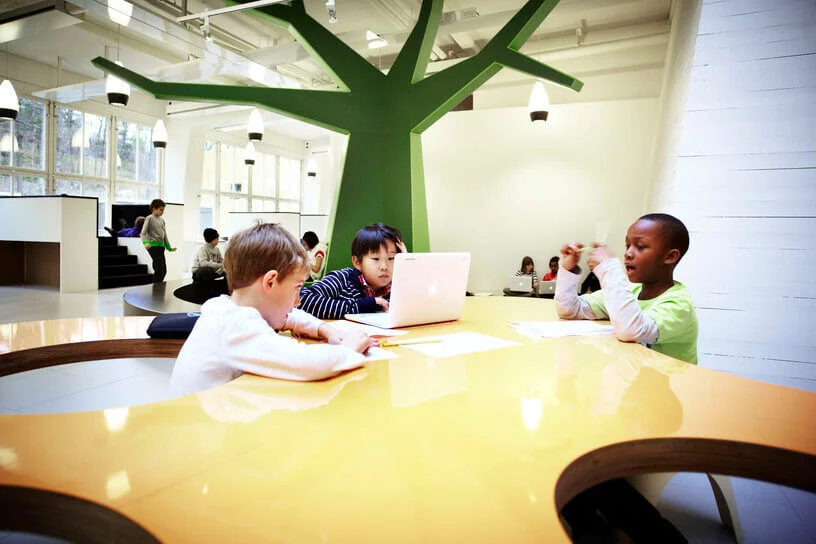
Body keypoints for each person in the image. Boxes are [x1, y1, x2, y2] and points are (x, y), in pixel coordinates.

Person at [555, 213, 696, 544]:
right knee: (568, 445)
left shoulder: (678, 302)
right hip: (628, 402)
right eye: (627, 245)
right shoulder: (628, 291)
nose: (629, 253)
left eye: (640, 246)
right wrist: (570, 269)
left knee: (584, 462)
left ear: (670, 256)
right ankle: (589, 524)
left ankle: (651, 536)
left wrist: (609, 269)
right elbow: (570, 309)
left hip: (662, 410)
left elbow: (635, 329)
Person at [170, 223, 372, 397]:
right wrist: (348, 349)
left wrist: (322, 328)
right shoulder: (236, 323)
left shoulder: (228, 308)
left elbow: (289, 318)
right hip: (206, 434)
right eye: (297, 288)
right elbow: (305, 363)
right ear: (270, 282)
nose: (298, 301)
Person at [298, 223, 403, 320]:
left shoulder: (398, 285)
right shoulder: (341, 279)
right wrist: (361, 305)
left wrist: (407, 263)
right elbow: (302, 299)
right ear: (357, 262)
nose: (384, 267)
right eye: (376, 259)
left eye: (391, 258)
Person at [140, 199, 175, 283]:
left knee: (163, 271)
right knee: (158, 270)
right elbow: (143, 233)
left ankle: (158, 288)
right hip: (153, 247)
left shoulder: (162, 220)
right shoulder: (149, 218)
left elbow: (164, 236)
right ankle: (155, 290)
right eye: (161, 210)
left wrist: (169, 247)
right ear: (154, 209)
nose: (162, 212)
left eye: (163, 210)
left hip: (161, 247)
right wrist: (146, 243)